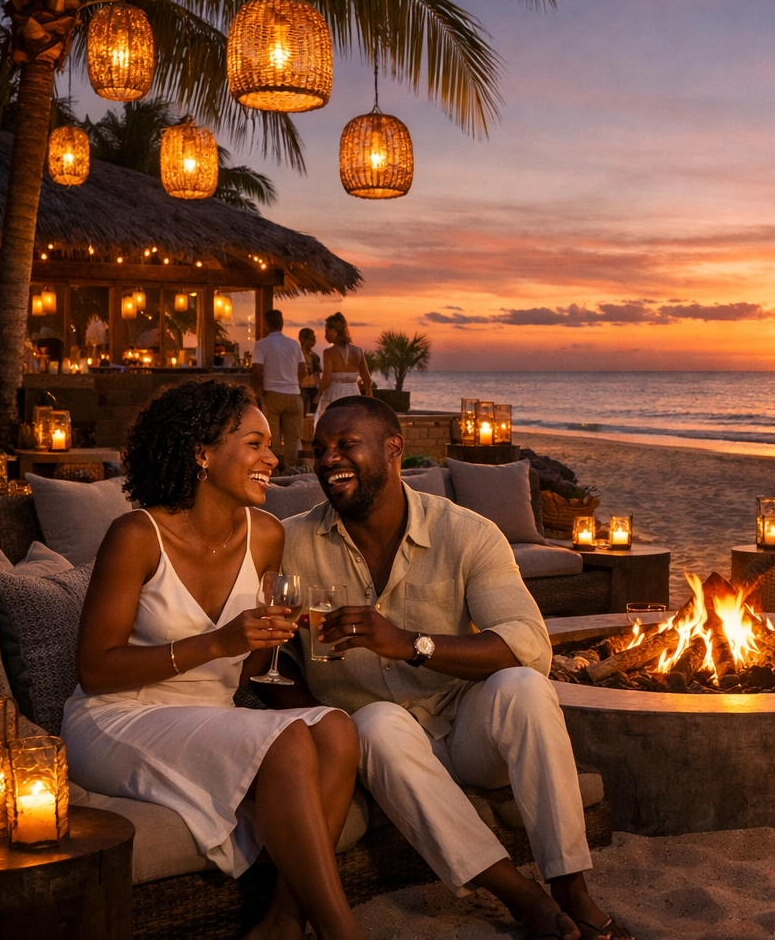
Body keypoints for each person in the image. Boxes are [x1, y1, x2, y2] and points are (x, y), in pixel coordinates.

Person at [276, 397, 630, 940]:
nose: (328, 459)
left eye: (346, 445)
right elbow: (271, 654)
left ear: (393, 450)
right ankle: (521, 895)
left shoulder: (466, 533)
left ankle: (570, 886)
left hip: (465, 733)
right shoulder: (291, 543)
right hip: (377, 743)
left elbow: (528, 644)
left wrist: (408, 644)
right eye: (320, 449)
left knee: (525, 687)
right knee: (374, 721)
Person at [63, 380, 366, 940]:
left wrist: (267, 638)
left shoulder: (267, 536)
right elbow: (95, 670)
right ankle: (342, 931)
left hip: (210, 713)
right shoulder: (136, 535)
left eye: (270, 446)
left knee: (336, 729)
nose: (273, 459)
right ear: (202, 454)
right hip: (118, 717)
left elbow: (242, 676)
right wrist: (218, 643)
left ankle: (282, 920)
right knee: (288, 738)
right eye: (254, 444)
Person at [252, 309, 307, 466]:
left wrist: (258, 394)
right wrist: (295, 385)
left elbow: (257, 371)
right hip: (293, 395)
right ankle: (290, 470)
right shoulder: (294, 345)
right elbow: (303, 371)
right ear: (282, 324)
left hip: (272, 394)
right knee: (293, 439)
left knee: (272, 438)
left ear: (266, 325)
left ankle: (274, 471)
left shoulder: (261, 345)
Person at [318, 312, 374, 409]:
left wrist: (318, 394)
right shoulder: (358, 351)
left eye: (326, 331)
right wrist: (369, 402)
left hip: (335, 395)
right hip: (354, 394)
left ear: (333, 331)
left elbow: (327, 379)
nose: (325, 335)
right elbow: (367, 380)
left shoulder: (329, 352)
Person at [299, 327, 322, 414]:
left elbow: (317, 375)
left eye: (314, 338)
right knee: (302, 413)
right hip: (301, 388)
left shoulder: (315, 357)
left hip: (313, 388)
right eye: (311, 338)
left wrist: (319, 392)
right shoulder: (297, 354)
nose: (314, 341)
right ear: (302, 339)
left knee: (313, 414)